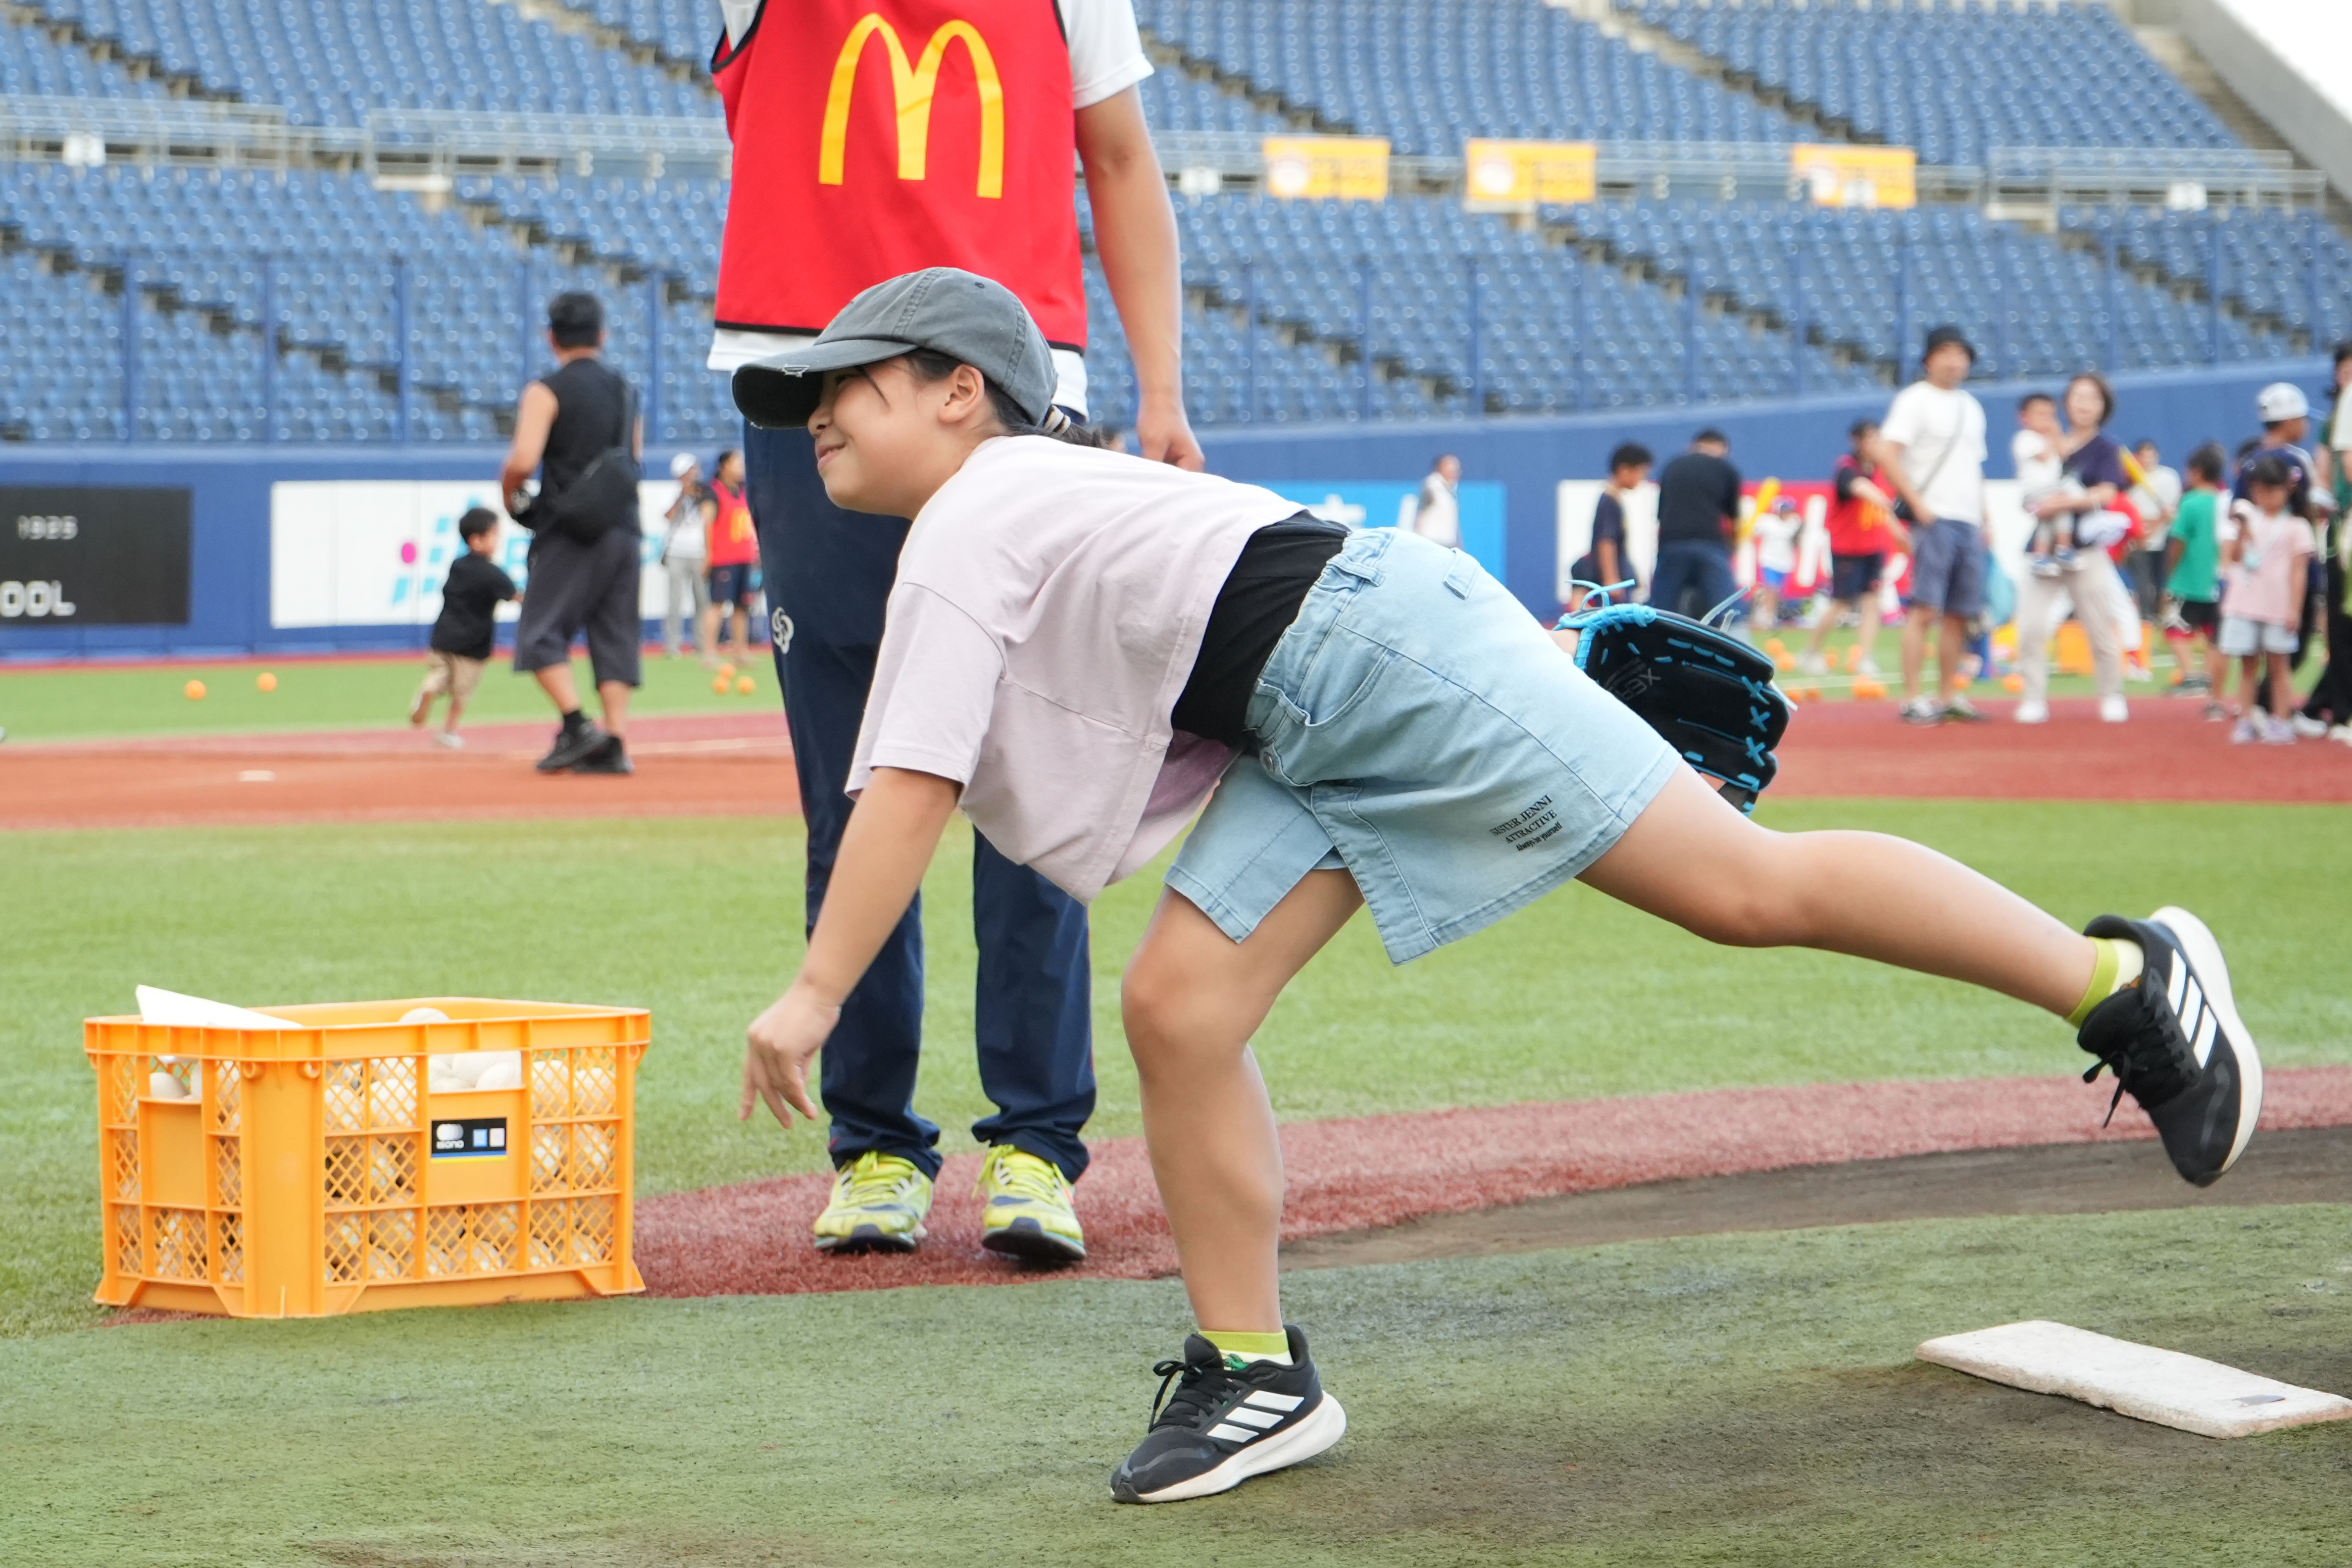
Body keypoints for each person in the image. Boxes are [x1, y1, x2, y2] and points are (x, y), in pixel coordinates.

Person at [734, 269, 2263, 1506]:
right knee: (1182, 1007)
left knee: (1738, 888)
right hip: (1322, 698)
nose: (811, 413)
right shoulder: (1010, 510)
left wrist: (814, 997)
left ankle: (2129, 987)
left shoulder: (977, 511)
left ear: (960, 390)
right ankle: (1254, 1374)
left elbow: (916, 784)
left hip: (1372, 666)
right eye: (802, 393)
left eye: (847, 380)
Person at [711, 0, 1200, 1260]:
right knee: (854, 784)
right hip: (817, 376)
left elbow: (1122, 157)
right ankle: (875, 1142)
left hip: (1028, 388)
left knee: (1039, 779)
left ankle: (1034, 1146)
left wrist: (1161, 387)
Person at [500, 290, 643, 776]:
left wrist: (510, 493)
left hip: (571, 528)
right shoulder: (626, 390)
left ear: (551, 337)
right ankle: (616, 741)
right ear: (602, 336)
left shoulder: (546, 390)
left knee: (540, 632)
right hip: (625, 526)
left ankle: (577, 724)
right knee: (614, 635)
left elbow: (523, 460)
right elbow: (633, 459)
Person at [1880, 325, 1989, 725]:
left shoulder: (1971, 407)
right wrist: (1917, 505)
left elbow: (1974, 468)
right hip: (1935, 517)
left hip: (1967, 519)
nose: (1955, 360)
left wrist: (1985, 517)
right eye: (1946, 352)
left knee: (1960, 613)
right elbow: (1886, 452)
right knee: (1924, 609)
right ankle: (1912, 697)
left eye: (1961, 354)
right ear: (1928, 358)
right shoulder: (1915, 400)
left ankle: (1947, 695)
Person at [2013, 373, 2135, 726]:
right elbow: (2030, 485)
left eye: (2092, 398)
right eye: (2077, 396)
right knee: (2031, 626)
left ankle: (2111, 695)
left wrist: (2067, 502)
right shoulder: (2046, 442)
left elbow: (2108, 492)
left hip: (2083, 547)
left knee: (2099, 624)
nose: (2083, 404)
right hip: (2042, 547)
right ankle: (2033, 698)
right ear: (2066, 402)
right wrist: (2037, 503)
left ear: (2103, 407)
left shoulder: (2106, 448)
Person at [2232, 382, 2334, 725]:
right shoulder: (2294, 459)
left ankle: (2261, 708)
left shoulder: (2249, 461)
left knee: (2256, 649)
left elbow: (2238, 511)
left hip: (2256, 571)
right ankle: (2271, 708)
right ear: (2287, 420)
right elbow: (2307, 508)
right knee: (2295, 641)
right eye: (2300, 418)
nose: (2304, 425)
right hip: (2293, 563)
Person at [2220, 453, 2317, 744]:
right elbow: (2236, 558)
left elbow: (2299, 574)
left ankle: (2280, 719)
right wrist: (2242, 532)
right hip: (2245, 604)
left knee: (2279, 667)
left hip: (2277, 606)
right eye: (2259, 490)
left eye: (2272, 490)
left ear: (2287, 489)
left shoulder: (2297, 527)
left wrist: (2295, 609)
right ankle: (2246, 719)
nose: (2265, 497)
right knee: (2248, 666)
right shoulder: (2250, 519)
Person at [1799, 419, 1905, 677]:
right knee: (1841, 603)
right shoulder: (1847, 468)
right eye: (1871, 439)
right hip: (1847, 547)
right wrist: (1887, 504)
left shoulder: (1881, 469)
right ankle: (1811, 652)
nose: (1875, 445)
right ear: (1858, 441)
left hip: (1874, 546)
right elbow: (1861, 489)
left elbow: (1883, 507)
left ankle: (1865, 658)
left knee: (1872, 602)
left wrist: (1897, 531)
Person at [409, 507, 517, 749]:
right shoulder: (493, 574)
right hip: (472, 644)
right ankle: (447, 731)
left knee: (439, 673)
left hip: (443, 636)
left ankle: (429, 689)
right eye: (494, 535)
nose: (498, 540)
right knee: (461, 693)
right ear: (476, 540)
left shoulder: (457, 565)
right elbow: (517, 597)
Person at [2301, 345, 2352, 738]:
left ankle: (2324, 703)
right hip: (2342, 528)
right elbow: (2325, 472)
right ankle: (2337, 708)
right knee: (2340, 622)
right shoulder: (2333, 420)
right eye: (2344, 368)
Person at [1646, 429, 1741, 623]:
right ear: (1722, 448)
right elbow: (1733, 521)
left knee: (1661, 612)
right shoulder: (1725, 468)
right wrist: (1732, 549)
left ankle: (1649, 650)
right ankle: (1731, 651)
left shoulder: (1672, 466)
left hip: (1672, 544)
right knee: (1726, 614)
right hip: (1709, 544)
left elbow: (1661, 515)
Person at [2164, 442, 2229, 719]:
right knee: (2214, 636)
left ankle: (2192, 676)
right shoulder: (2225, 501)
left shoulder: (2189, 502)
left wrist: (2169, 573)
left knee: (2173, 628)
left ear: (2197, 472)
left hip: (2189, 580)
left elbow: (2178, 541)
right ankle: (2207, 680)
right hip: (2218, 581)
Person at [1566, 441, 1649, 612]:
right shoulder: (1610, 502)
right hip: (1609, 582)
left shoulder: (1614, 500)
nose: (1642, 478)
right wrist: (1611, 579)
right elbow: (1606, 541)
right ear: (1624, 470)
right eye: (1641, 473)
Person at [704, 448, 760, 663]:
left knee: (741, 607)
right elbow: (707, 524)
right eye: (737, 463)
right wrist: (708, 555)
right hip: (723, 558)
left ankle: (741, 651)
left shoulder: (744, 491)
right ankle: (709, 651)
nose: (741, 468)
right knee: (717, 604)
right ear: (724, 466)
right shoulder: (713, 492)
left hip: (744, 556)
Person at [660, 452, 715, 661]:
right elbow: (669, 517)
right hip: (677, 552)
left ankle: (701, 643)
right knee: (675, 600)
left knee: (702, 601)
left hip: (699, 552)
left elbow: (709, 520)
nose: (695, 475)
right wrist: (682, 495)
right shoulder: (672, 492)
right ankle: (672, 645)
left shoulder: (704, 493)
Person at [2128, 438, 2181, 623]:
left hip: (2164, 538)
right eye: (2144, 455)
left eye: (2151, 455)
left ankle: (2161, 613)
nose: (2148, 459)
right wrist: (2145, 528)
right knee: (2143, 579)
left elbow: (2173, 508)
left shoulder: (2169, 477)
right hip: (2139, 540)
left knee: (2163, 578)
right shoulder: (2130, 482)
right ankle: (2146, 617)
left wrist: (2160, 522)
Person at [1750, 497, 1801, 632]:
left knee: (1777, 592)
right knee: (1771, 589)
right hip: (1769, 560)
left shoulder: (1795, 523)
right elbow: (1753, 535)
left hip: (1785, 562)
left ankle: (1766, 614)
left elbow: (1797, 542)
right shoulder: (1767, 522)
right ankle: (1768, 618)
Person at [1411, 453, 1461, 547]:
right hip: (1431, 542)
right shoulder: (1431, 487)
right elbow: (1420, 514)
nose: (1454, 470)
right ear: (1440, 467)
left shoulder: (1451, 489)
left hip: (1447, 544)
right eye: (1450, 466)